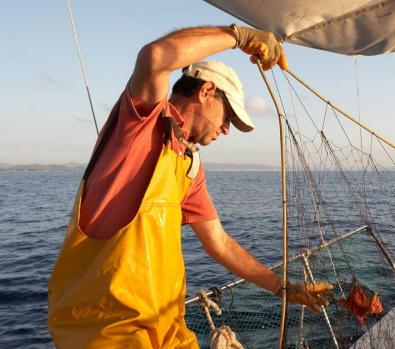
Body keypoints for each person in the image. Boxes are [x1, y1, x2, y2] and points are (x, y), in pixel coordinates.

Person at [48, 24, 333, 348]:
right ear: (206, 92)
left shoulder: (188, 166)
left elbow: (219, 243)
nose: (226, 130)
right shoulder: (141, 124)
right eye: (228, 118)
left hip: (167, 332)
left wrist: (281, 286)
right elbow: (154, 58)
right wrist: (239, 36)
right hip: (108, 334)